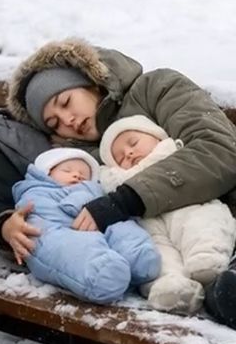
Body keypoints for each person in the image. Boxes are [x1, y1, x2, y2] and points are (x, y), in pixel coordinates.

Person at [0, 37, 236, 323]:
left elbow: (219, 150)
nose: (67, 120)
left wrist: (126, 199)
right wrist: (6, 228)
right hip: (163, 258)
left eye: (66, 102)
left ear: (91, 83)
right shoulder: (79, 159)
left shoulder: (156, 89)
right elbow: (51, 203)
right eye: (54, 123)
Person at [99, 115, 236, 313]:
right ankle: (173, 289)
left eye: (133, 142)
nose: (128, 153)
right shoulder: (117, 183)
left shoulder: (174, 154)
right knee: (158, 252)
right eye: (120, 159)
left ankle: (206, 259)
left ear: (158, 137)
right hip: (151, 224)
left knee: (203, 222)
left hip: (188, 205)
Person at [12, 148, 160, 304]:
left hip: (92, 222)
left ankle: (138, 256)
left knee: (120, 225)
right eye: (67, 170)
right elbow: (61, 207)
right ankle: (100, 273)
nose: (77, 175)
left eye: (84, 174)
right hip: (54, 230)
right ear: (46, 173)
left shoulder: (95, 191)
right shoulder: (35, 191)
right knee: (67, 247)